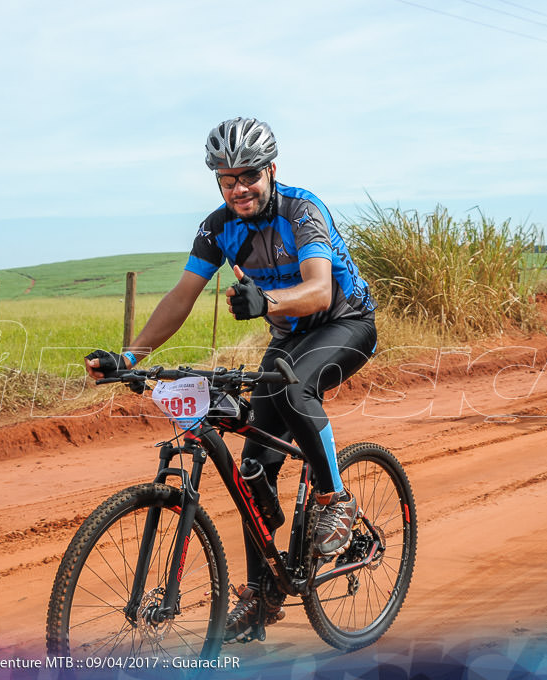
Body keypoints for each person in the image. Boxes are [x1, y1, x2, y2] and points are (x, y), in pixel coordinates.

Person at [84, 117, 378, 643]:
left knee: (293, 389)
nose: (238, 186)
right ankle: (263, 596)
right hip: (289, 334)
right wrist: (131, 358)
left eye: (248, 175)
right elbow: (182, 295)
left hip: (345, 321)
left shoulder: (301, 210)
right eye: (226, 178)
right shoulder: (219, 226)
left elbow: (319, 292)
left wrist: (266, 301)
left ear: (270, 170)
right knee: (251, 469)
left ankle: (335, 500)